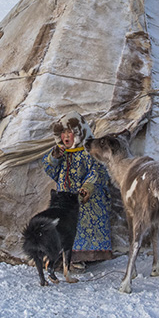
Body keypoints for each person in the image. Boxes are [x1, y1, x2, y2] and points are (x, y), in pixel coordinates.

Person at [42, 112, 112, 267]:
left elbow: (98, 172)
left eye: (70, 132)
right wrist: (54, 158)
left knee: (81, 224)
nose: (66, 136)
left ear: (79, 132)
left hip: (86, 199)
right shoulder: (62, 152)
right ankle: (60, 255)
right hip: (65, 198)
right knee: (62, 225)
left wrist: (87, 187)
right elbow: (51, 170)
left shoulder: (90, 151)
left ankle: (79, 257)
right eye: (63, 133)